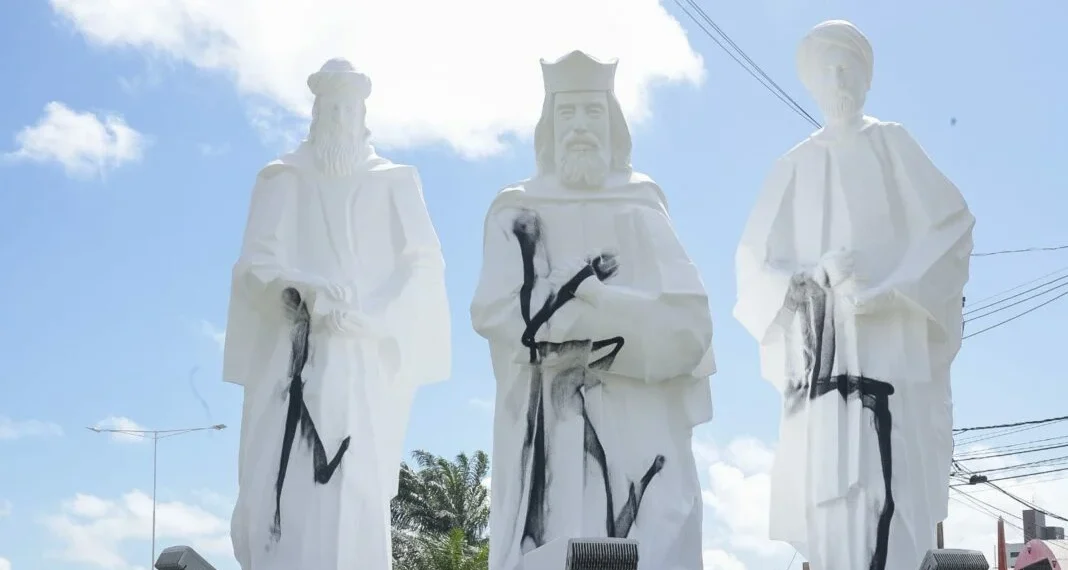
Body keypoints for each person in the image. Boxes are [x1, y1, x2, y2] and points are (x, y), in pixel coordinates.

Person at [733, 20, 974, 570]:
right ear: (811, 83)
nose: (838, 79)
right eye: (826, 70)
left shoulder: (890, 142)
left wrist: (892, 292)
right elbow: (752, 262)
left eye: (848, 67)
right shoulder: (792, 166)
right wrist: (808, 278)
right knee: (833, 498)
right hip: (824, 366)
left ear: (866, 79)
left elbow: (952, 227)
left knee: (893, 491)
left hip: (892, 353)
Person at [471, 50, 716, 570]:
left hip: (639, 420)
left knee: (652, 530)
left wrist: (595, 312)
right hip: (548, 424)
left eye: (592, 113)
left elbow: (690, 322)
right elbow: (494, 312)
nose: (580, 127)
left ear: (613, 123)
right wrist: (567, 323)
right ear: (548, 126)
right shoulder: (516, 208)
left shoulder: (641, 202)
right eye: (567, 113)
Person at [223, 58, 450, 570]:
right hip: (292, 356)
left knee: (355, 486)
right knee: (281, 486)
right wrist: (298, 289)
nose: (340, 118)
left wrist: (374, 316)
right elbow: (255, 264)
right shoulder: (283, 177)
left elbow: (423, 263)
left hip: (361, 359)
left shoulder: (395, 180)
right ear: (315, 113)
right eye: (331, 107)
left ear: (363, 115)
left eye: (349, 108)